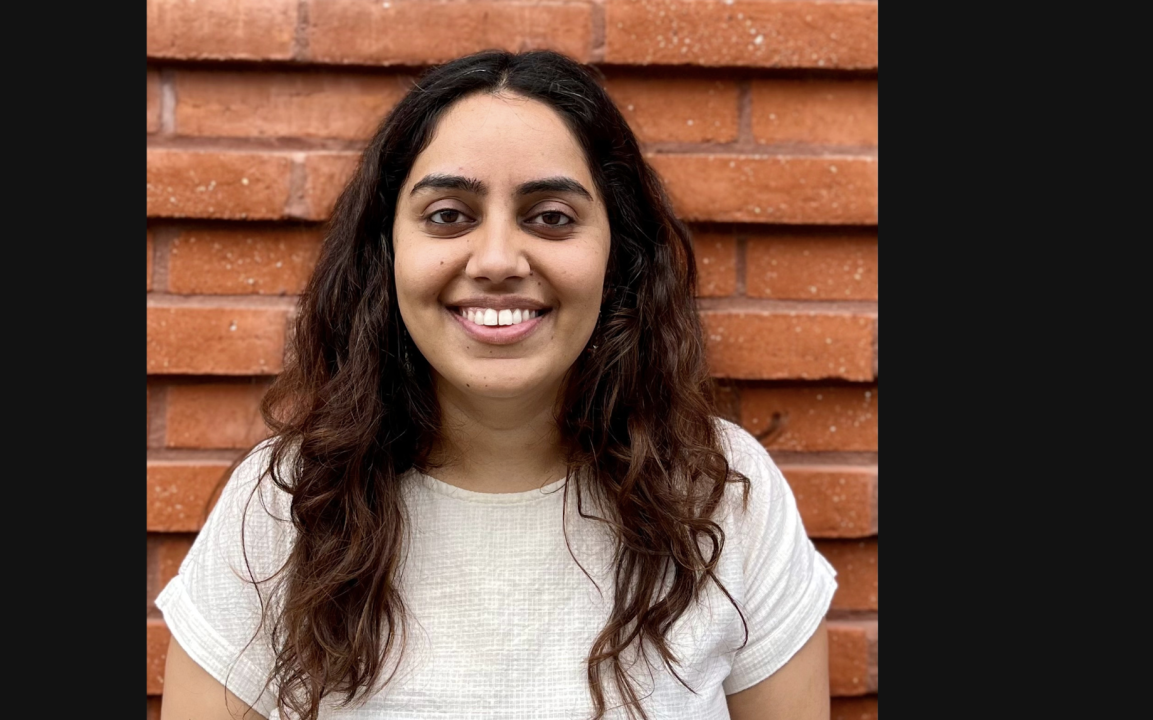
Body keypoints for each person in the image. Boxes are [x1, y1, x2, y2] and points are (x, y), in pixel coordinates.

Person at [157, 49, 837, 720]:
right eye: (449, 215)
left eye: (551, 217)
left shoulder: (722, 493)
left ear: (618, 254)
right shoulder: (287, 503)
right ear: (386, 253)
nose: (498, 261)